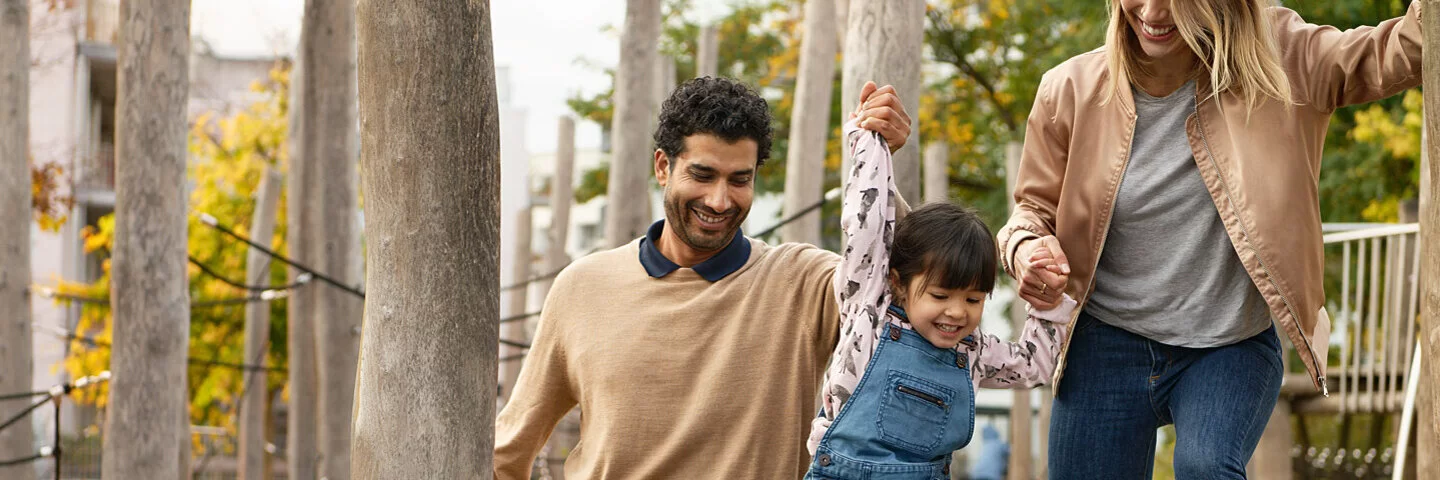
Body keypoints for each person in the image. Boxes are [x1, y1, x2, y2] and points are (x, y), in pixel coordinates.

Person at [999, 0, 1424, 477]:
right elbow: (1032, 212)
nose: (1155, 13)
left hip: (1229, 343)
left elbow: (1393, 53)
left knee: (1206, 466)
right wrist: (1026, 250)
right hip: (1105, 342)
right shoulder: (1068, 90)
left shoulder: (1282, 56)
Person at [492, 76, 914, 479]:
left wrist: (876, 165)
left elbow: (904, 283)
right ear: (663, 167)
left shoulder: (803, 282)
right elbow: (508, 450)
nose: (719, 200)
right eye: (702, 174)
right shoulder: (582, 287)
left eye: (739, 180)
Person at [802, 115, 1075, 479]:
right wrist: (870, 143)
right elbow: (865, 224)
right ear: (898, 283)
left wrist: (1048, 300)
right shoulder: (869, 311)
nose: (957, 312)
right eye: (941, 295)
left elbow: (1033, 365)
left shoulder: (973, 352)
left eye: (974, 300)